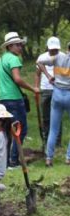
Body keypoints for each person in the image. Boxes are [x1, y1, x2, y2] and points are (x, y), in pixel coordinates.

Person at [0, 32, 39, 168]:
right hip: (14, 99)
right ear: (9, 46)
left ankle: (6, 160)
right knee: (20, 130)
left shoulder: (1, 59)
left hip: (2, 99)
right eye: (17, 45)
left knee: (8, 131)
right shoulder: (14, 59)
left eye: (21, 44)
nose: (20, 47)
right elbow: (17, 79)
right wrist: (33, 89)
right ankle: (13, 161)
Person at [37, 38, 70, 166]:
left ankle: (49, 158)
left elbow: (39, 61)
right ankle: (68, 158)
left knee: (53, 129)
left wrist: (48, 75)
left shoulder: (57, 58)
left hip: (56, 94)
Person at [35, 37, 63, 152]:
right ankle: (46, 141)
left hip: (59, 89)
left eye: (56, 49)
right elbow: (37, 73)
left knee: (58, 116)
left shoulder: (63, 57)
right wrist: (36, 87)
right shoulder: (42, 57)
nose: (54, 51)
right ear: (48, 48)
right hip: (45, 89)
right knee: (46, 117)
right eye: (52, 49)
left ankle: (58, 142)